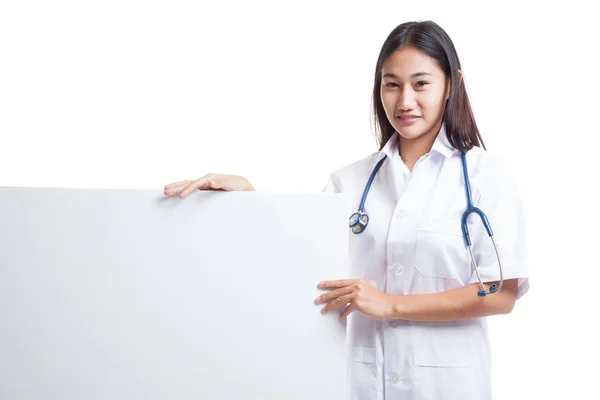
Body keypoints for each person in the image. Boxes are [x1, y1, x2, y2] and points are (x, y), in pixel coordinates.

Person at [164, 20, 529, 400]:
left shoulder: (487, 177)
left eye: (420, 84)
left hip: (446, 387)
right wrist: (248, 198)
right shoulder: (349, 181)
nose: (404, 101)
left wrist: (390, 305)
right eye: (392, 84)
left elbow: (501, 294)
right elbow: (302, 260)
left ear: (451, 84)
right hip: (360, 383)